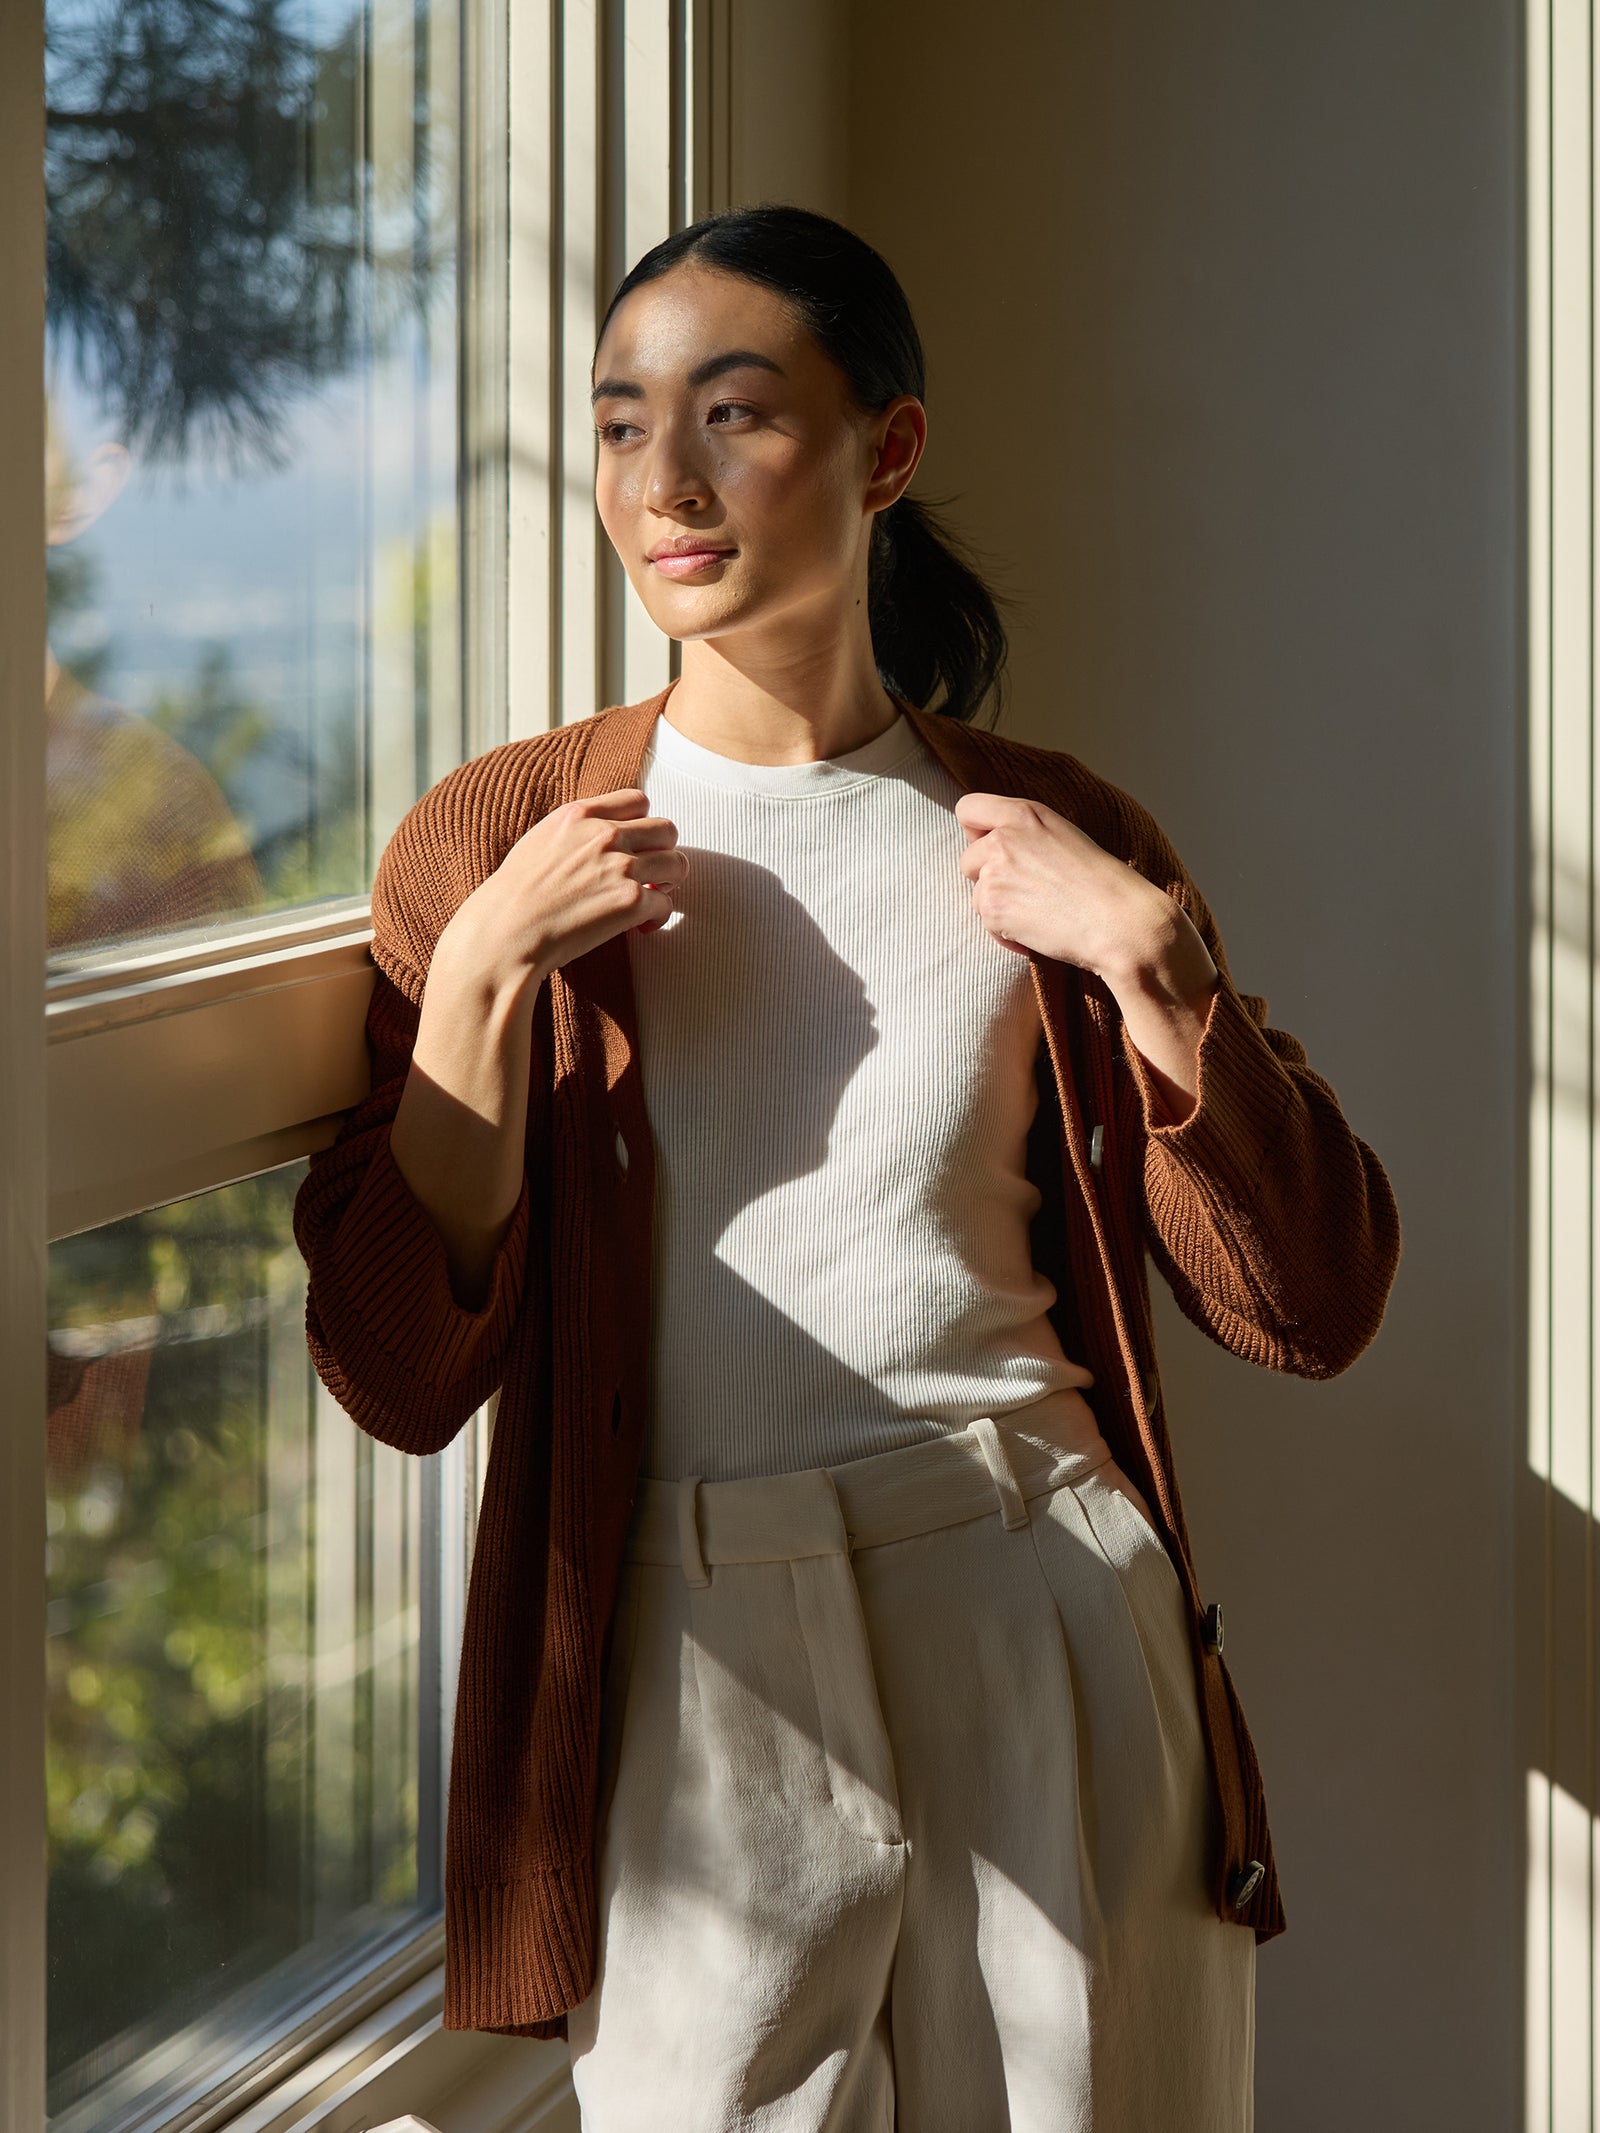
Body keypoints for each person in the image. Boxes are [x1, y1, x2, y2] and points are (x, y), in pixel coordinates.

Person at [294, 206, 1400, 2131]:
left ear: (886, 450)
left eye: (735, 413)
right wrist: (477, 977)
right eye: (623, 423)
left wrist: (1157, 969)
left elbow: (1310, 1302)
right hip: (683, 1645)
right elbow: (398, 1373)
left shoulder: (1049, 830)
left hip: (1036, 1593)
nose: (667, 481)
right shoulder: (496, 841)